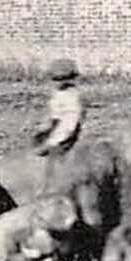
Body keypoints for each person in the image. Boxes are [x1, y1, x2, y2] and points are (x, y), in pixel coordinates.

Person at [33, 58, 85, 189]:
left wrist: (54, 141)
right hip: (55, 125)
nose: (55, 83)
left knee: (56, 155)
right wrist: (45, 125)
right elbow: (54, 112)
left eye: (59, 80)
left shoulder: (72, 96)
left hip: (66, 131)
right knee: (37, 146)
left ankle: (53, 184)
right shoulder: (58, 93)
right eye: (54, 79)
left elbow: (69, 123)